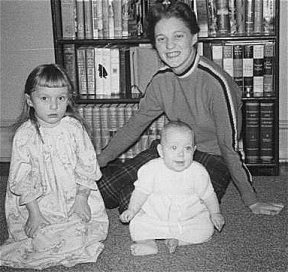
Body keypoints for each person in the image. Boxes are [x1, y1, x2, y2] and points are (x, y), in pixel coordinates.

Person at [97, 0, 284, 216]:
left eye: (178, 36)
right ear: (155, 45)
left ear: (194, 37)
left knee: (145, 205)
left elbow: (228, 146)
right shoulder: (161, 81)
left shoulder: (216, 83)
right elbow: (134, 126)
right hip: (175, 148)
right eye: (161, 39)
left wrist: (251, 200)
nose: (169, 46)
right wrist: (100, 160)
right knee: (104, 191)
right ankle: (143, 192)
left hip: (213, 158)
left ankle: (145, 198)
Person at [0, 64, 109, 269]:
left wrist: (81, 198)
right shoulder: (25, 135)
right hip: (38, 202)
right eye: (44, 98)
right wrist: (34, 212)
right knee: (37, 236)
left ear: (68, 99)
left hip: (73, 196)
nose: (53, 106)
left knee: (86, 228)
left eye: (60, 98)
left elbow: (87, 164)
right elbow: (22, 179)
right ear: (30, 101)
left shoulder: (74, 128)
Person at [120, 121, 225, 256]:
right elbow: (141, 192)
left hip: (188, 219)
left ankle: (178, 240)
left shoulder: (198, 172)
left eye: (187, 148)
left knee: (205, 229)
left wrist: (215, 213)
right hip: (157, 217)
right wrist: (132, 209)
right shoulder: (151, 169)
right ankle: (148, 243)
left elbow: (209, 195)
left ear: (194, 150)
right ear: (161, 151)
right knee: (138, 224)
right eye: (174, 148)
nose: (181, 154)